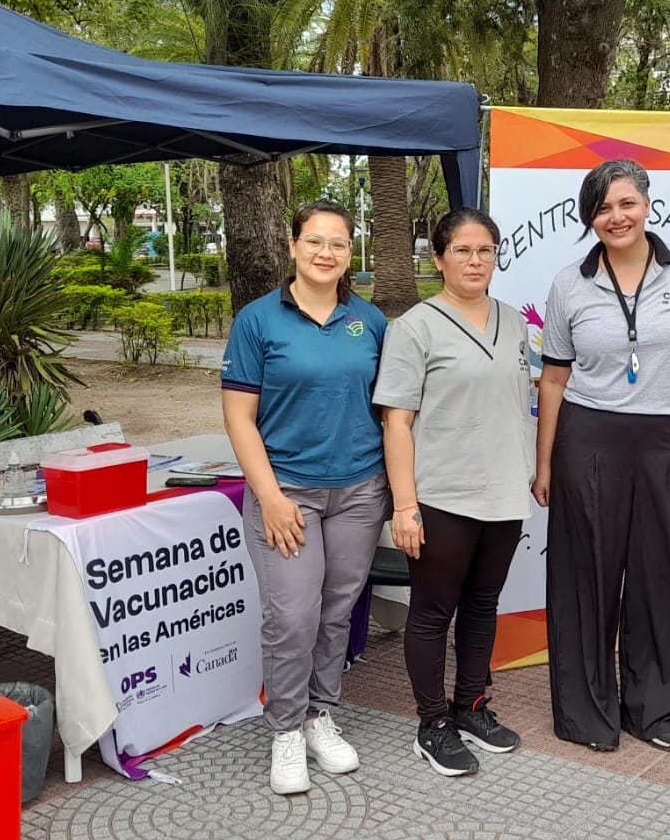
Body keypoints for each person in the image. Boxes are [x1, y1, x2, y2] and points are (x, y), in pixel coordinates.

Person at [533, 158, 670, 753]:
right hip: (589, 438)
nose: (615, 217)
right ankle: (587, 714)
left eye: (625, 203)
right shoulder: (570, 283)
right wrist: (544, 465)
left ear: (647, 203)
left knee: (666, 575)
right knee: (586, 577)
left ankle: (661, 711)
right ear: (589, 218)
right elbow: (552, 379)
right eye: (602, 208)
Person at [221, 199, 390, 795]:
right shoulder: (258, 320)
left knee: (337, 610)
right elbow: (239, 417)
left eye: (339, 244)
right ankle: (286, 731)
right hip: (286, 493)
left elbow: (390, 412)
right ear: (293, 247)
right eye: (315, 241)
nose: (326, 253)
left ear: (351, 253)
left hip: (360, 491)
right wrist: (266, 496)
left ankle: (321, 714)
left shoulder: (369, 321)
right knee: (292, 616)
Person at [373, 208, 534, 777]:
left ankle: (470, 705)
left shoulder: (514, 323)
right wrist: (406, 506)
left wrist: (535, 471)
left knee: (483, 604)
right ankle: (432, 722)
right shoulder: (413, 328)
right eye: (462, 251)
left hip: (505, 492)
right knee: (432, 612)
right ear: (437, 258)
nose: (475, 261)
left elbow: (520, 406)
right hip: (442, 496)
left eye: (485, 250)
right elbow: (397, 423)